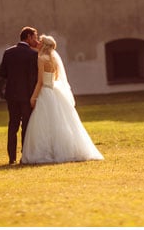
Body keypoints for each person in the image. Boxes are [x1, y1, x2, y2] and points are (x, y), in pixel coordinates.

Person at [21, 35, 104, 164]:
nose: (38, 43)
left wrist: (33, 97)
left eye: (40, 42)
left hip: (45, 92)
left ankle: (47, 151)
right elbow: (54, 77)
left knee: (44, 123)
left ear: (44, 45)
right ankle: (66, 150)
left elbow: (40, 82)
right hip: (54, 91)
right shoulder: (53, 59)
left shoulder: (42, 59)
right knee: (60, 122)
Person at [0, 27, 41, 165]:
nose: (36, 40)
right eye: (34, 37)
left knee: (13, 125)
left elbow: (2, 73)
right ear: (28, 37)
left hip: (11, 95)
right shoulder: (32, 54)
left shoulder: (8, 52)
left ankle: (11, 158)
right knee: (26, 126)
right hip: (27, 96)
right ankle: (25, 155)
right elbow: (34, 78)